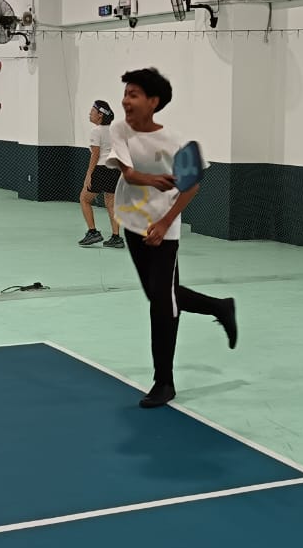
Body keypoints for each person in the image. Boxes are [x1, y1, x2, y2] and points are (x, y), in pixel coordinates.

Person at [104, 67, 237, 408]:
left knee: (162, 305)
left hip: (164, 231)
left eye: (134, 94)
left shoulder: (175, 141)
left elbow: (191, 187)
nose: (125, 100)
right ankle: (219, 307)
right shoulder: (119, 129)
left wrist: (164, 223)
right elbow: (128, 173)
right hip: (133, 224)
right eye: (125, 94)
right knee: (160, 295)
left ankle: (164, 382)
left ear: (153, 101)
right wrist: (153, 180)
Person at [77, 99, 124, 248]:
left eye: (92, 111)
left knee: (84, 199)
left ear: (100, 115)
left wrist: (89, 175)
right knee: (111, 203)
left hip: (101, 169)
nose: (89, 113)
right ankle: (116, 237)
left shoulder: (96, 131)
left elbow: (95, 155)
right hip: (114, 169)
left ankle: (93, 232)